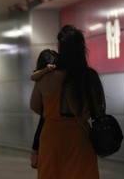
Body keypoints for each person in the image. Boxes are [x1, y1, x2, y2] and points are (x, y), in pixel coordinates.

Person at [30, 24, 106, 179]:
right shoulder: (90, 77)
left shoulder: (46, 77)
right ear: (82, 49)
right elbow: (99, 110)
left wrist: (53, 113)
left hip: (51, 139)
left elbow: (35, 106)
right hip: (80, 138)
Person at [30, 49, 58, 168]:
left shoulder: (42, 78)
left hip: (48, 119)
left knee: (42, 124)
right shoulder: (45, 74)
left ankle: (35, 152)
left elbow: (34, 106)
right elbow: (33, 76)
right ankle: (35, 151)